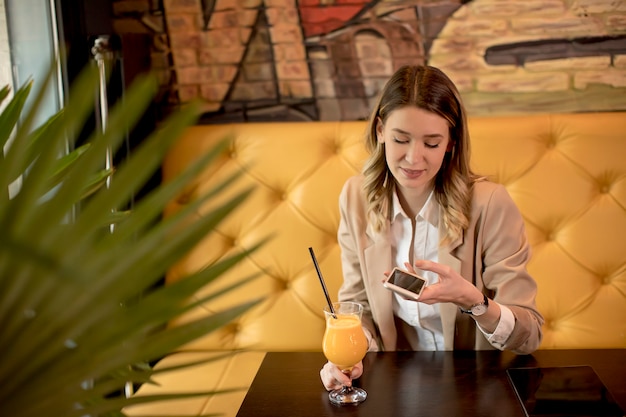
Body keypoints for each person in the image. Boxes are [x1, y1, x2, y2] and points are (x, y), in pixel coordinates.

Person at [320, 65, 544, 391]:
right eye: (401, 139)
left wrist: (475, 302)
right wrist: (351, 353)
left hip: (477, 385)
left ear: (451, 142)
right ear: (380, 130)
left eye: (432, 143)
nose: (414, 158)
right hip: (397, 382)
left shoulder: (490, 203)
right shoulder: (356, 198)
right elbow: (359, 305)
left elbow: (530, 334)